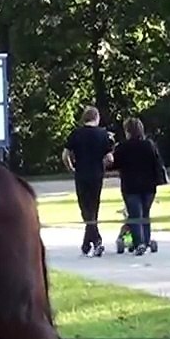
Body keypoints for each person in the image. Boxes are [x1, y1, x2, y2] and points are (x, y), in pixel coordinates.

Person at [108, 116, 167, 256]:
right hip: (149, 186)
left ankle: (139, 242)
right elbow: (157, 163)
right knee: (145, 214)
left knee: (135, 215)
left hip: (131, 186)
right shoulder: (149, 145)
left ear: (127, 131)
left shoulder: (122, 147)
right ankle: (145, 241)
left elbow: (114, 164)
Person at [62, 105, 114, 256]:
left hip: (81, 174)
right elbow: (110, 157)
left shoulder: (76, 134)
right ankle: (93, 241)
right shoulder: (103, 134)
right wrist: (103, 165)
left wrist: (71, 167)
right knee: (94, 207)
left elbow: (65, 154)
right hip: (97, 174)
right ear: (96, 118)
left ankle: (92, 241)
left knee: (85, 208)